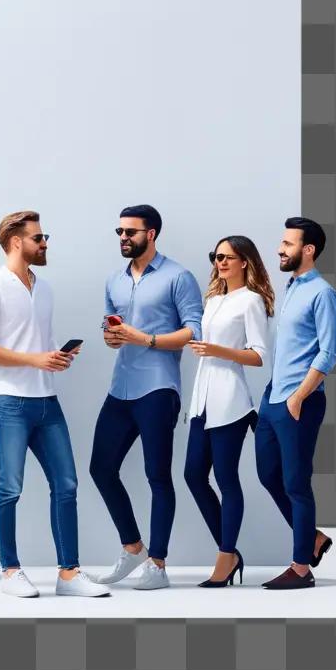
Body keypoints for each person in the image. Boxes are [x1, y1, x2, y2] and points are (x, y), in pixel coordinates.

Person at [0, 211, 110, 599]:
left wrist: (55, 359)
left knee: (66, 484)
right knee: (10, 487)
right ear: (16, 241)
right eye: (38, 237)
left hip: (48, 402)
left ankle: (69, 574)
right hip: (10, 403)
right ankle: (11, 572)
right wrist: (33, 360)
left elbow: (36, 344)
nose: (44, 243)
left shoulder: (43, 289)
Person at [90, 204, 203, 590]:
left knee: (157, 475)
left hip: (158, 387)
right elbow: (110, 328)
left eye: (131, 232)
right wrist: (112, 336)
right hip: (120, 386)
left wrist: (146, 338)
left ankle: (158, 563)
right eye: (119, 232)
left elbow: (193, 331)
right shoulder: (114, 280)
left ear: (151, 233)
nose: (123, 238)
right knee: (100, 469)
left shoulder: (179, 276)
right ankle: (133, 546)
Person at [255, 217, 336, 590]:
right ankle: (315, 539)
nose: (280, 249)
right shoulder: (290, 287)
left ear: (308, 250)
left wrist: (299, 395)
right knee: (267, 474)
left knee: (296, 483)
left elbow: (328, 353)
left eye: (288, 244)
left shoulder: (322, 293)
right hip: (273, 397)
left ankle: (302, 568)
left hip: (299, 401)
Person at [183, 236, 274, 587]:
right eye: (216, 256)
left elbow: (259, 355)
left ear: (244, 262)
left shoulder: (250, 301)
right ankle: (230, 553)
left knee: (226, 479)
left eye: (227, 257)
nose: (220, 262)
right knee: (193, 475)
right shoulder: (213, 300)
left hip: (230, 402)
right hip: (202, 400)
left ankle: (225, 555)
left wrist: (219, 350)